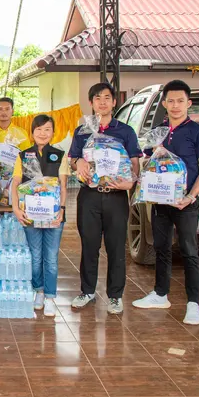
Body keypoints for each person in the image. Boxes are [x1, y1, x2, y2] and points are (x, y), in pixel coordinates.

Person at [132, 80, 199, 326]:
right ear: (164, 103)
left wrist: (190, 196)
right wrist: (151, 154)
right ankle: (160, 294)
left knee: (189, 252)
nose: (175, 106)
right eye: (171, 101)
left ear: (188, 103)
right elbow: (145, 162)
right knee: (161, 248)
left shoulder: (198, 132)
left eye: (180, 101)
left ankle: (193, 304)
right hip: (160, 201)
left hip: (185, 203)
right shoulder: (159, 131)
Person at [68, 82, 142, 315]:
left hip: (116, 196)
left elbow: (134, 162)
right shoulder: (82, 131)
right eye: (97, 98)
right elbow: (72, 160)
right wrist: (77, 162)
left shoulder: (125, 131)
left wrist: (132, 181)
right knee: (89, 245)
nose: (102, 102)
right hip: (89, 196)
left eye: (107, 97)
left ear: (114, 102)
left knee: (116, 247)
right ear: (91, 103)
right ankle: (87, 291)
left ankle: (115, 295)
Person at [11, 115, 70, 317]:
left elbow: (63, 185)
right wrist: (16, 208)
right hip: (30, 214)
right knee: (35, 256)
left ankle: (51, 296)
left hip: (53, 215)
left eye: (47, 129)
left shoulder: (60, 155)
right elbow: (15, 183)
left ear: (53, 132)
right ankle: (38, 291)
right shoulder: (23, 155)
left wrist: (61, 209)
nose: (43, 133)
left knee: (51, 257)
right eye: (38, 129)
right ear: (32, 132)